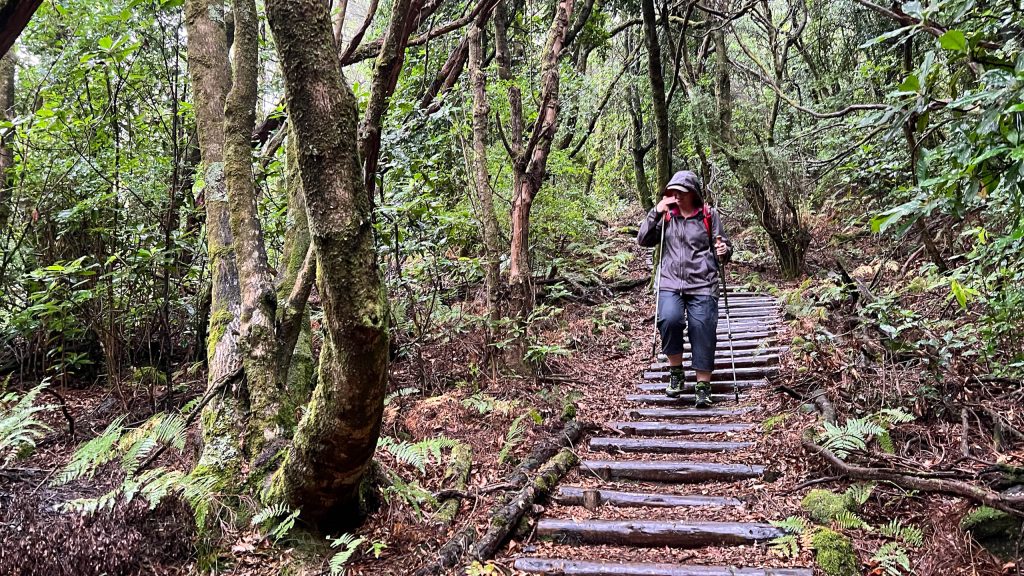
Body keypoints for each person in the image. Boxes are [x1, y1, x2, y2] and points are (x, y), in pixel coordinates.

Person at [637, 170, 732, 408]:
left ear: (692, 193)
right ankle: (676, 372)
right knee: (669, 320)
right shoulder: (667, 216)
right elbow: (643, 239)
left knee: (703, 328)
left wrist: (725, 251)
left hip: (703, 282)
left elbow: (722, 246)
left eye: (681, 191)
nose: (676, 196)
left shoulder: (709, 215)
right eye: (673, 191)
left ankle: (703, 385)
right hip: (670, 281)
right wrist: (655, 212)